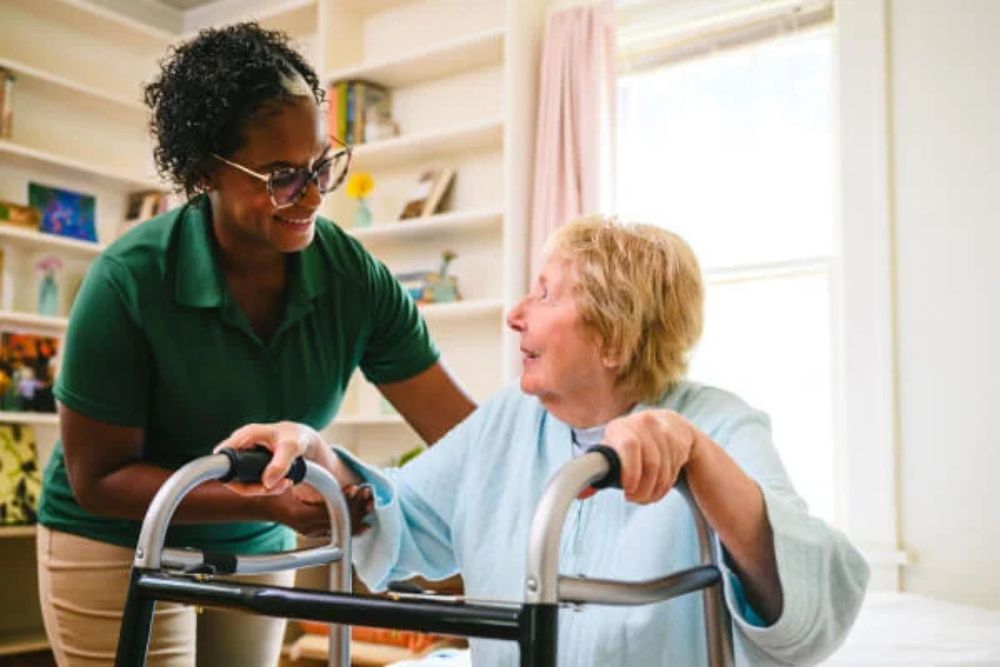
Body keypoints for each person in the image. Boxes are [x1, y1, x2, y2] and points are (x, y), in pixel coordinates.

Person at [227, 216, 870, 666]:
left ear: (614, 339)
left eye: (544, 293)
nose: (515, 313)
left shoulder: (719, 423)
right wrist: (319, 455)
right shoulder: (512, 417)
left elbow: (812, 596)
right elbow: (404, 512)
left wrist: (694, 455)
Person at [35, 22, 475, 667]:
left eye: (322, 163)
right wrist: (276, 498)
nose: (315, 194)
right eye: (281, 175)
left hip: (261, 540)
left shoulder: (354, 279)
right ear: (207, 170)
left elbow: (461, 433)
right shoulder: (130, 280)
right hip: (115, 539)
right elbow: (99, 479)